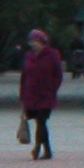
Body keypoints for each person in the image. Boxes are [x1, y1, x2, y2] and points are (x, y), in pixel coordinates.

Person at [17, 27, 64, 160]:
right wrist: (22, 95)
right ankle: (47, 150)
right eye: (31, 41)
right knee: (39, 122)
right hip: (31, 95)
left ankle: (37, 148)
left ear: (42, 42)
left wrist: (53, 88)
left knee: (41, 121)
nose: (33, 44)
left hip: (46, 95)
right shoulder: (28, 56)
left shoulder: (52, 54)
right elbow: (24, 76)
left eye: (36, 41)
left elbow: (58, 75)